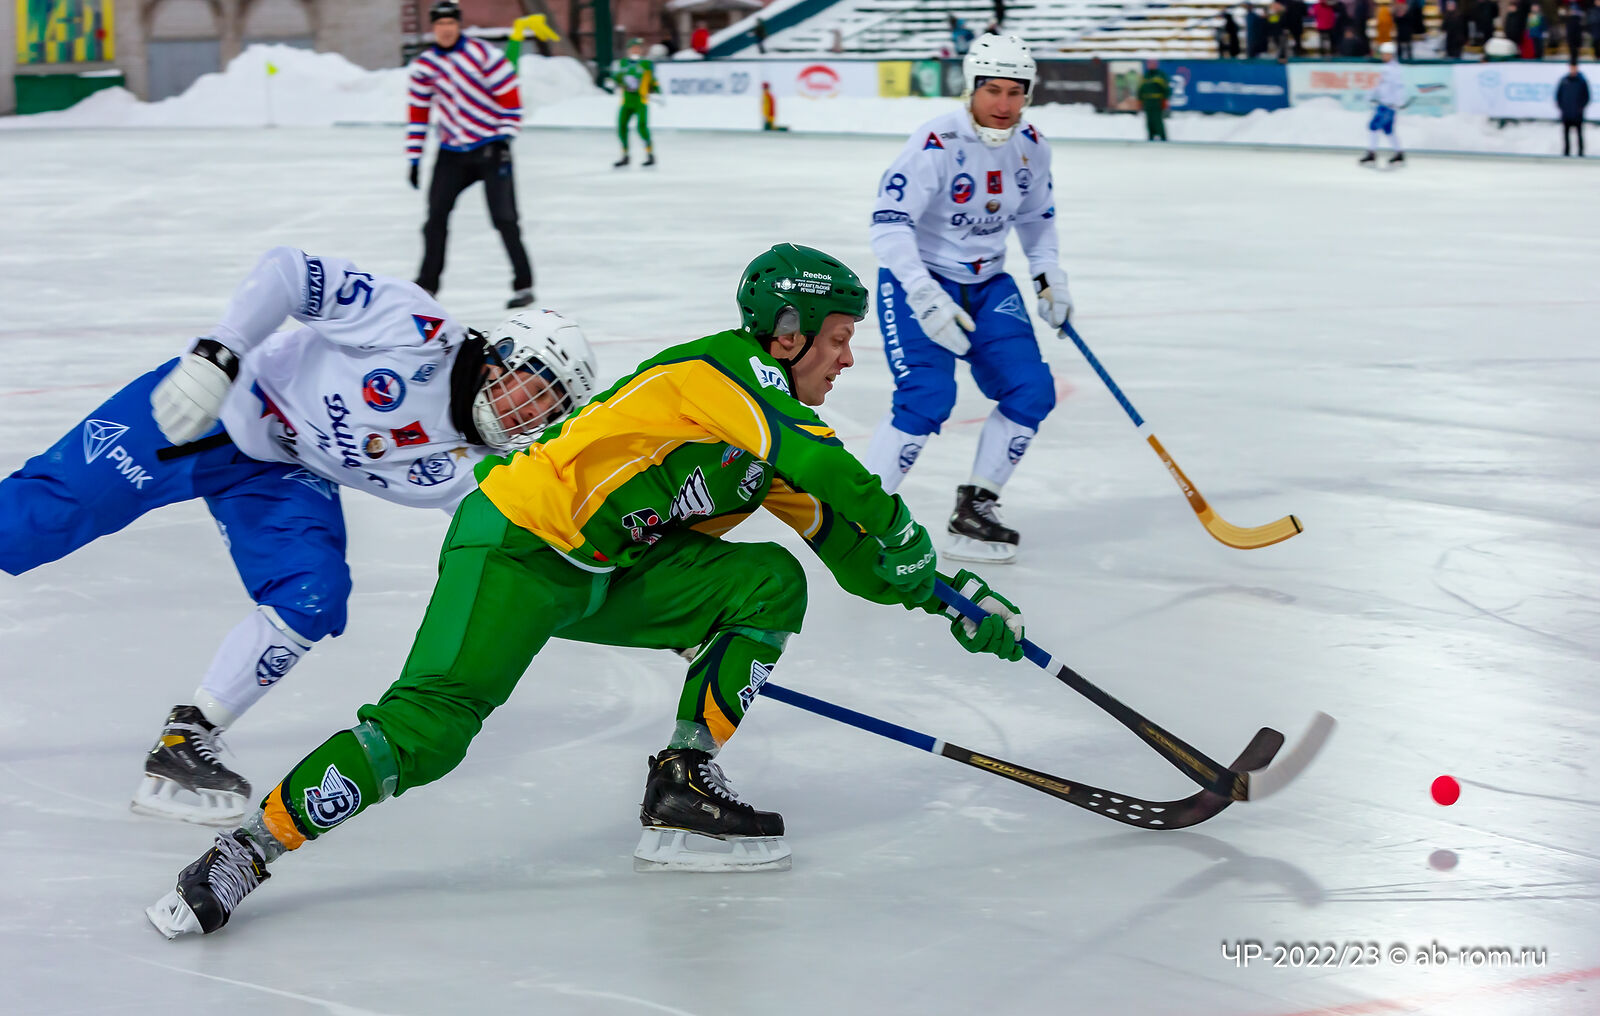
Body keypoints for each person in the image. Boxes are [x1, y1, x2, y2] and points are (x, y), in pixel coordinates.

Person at [145, 244, 1030, 937]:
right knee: (428, 731)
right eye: (838, 339)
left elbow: (855, 554)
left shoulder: (768, 441)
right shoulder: (723, 373)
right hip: (516, 546)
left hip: (612, 572)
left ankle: (684, 782)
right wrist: (909, 535)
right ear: (788, 334)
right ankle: (246, 852)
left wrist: (951, 599)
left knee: (770, 583)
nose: (846, 360)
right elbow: (831, 469)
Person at [0, 246, 597, 826]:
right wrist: (218, 353)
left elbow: (518, 546)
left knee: (313, 593)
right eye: (535, 389)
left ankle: (189, 737)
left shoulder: (480, 469)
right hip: (216, 411)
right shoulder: (417, 330)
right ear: (500, 356)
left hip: (282, 472)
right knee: (36, 521)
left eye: (550, 410)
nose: (531, 416)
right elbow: (289, 271)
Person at [863, 35, 1073, 565]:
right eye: (993, 90)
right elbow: (889, 225)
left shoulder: (1032, 145)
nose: (1003, 105)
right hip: (920, 279)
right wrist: (923, 295)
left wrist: (1048, 275)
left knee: (1032, 389)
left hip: (989, 283)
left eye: (1015, 93)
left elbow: (1036, 219)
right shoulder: (937, 142)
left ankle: (976, 507)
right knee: (927, 397)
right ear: (971, 87)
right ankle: (858, 516)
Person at [408, 0, 535, 310]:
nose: (446, 29)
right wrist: (414, 157)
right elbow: (419, 112)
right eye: (440, 24)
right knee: (435, 219)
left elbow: (510, 98)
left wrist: (505, 138)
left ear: (458, 25)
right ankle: (427, 285)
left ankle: (523, 284)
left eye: (450, 23)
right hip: (452, 153)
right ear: (433, 27)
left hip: (490, 147)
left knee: (504, 218)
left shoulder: (484, 55)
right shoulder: (425, 66)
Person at [609, 37, 661, 168]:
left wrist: (657, 90)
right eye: (633, 48)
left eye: (638, 48)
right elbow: (618, 78)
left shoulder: (646, 64)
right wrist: (615, 81)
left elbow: (652, 80)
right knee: (621, 126)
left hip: (640, 101)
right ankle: (625, 155)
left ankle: (650, 154)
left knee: (642, 127)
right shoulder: (623, 63)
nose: (635, 50)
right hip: (626, 101)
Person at [1359, 41, 1407, 167]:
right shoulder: (1386, 68)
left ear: (1391, 54)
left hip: (1388, 106)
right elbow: (1380, 86)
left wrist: (1399, 101)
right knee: (1388, 130)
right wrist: (1371, 96)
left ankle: (1372, 153)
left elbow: (1398, 87)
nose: (1383, 56)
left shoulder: (1394, 70)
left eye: (1386, 54)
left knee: (1374, 126)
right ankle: (1399, 152)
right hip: (1385, 104)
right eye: (1383, 53)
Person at [1557, 59, 1590, 156]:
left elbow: (1586, 96)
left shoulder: (1581, 81)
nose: (1573, 69)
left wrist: (1580, 108)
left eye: (1574, 67)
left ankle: (1581, 152)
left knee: (1579, 134)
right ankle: (1566, 152)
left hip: (1577, 113)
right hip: (1567, 113)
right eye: (1571, 67)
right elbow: (1558, 96)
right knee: (1566, 134)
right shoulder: (1564, 80)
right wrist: (1563, 107)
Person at [1137, 60, 1171, 141]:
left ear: (1156, 65)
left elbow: (1166, 88)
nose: (1151, 65)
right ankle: (1151, 137)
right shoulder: (1146, 76)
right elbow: (1140, 89)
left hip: (1157, 101)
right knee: (1149, 121)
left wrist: (1165, 100)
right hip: (1147, 102)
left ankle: (1162, 137)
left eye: (1153, 64)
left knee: (1157, 120)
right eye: (1149, 64)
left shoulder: (1160, 75)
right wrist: (1140, 100)